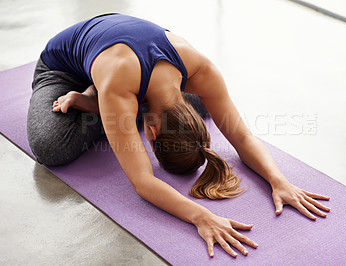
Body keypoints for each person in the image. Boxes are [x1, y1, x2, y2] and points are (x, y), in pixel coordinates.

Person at [27, 13, 330, 258]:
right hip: (64, 69)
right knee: (52, 148)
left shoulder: (201, 70)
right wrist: (201, 216)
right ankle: (100, 103)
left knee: (201, 102)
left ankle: (101, 104)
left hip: (123, 74)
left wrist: (279, 180)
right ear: (152, 131)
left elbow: (242, 137)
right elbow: (143, 182)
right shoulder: (123, 84)